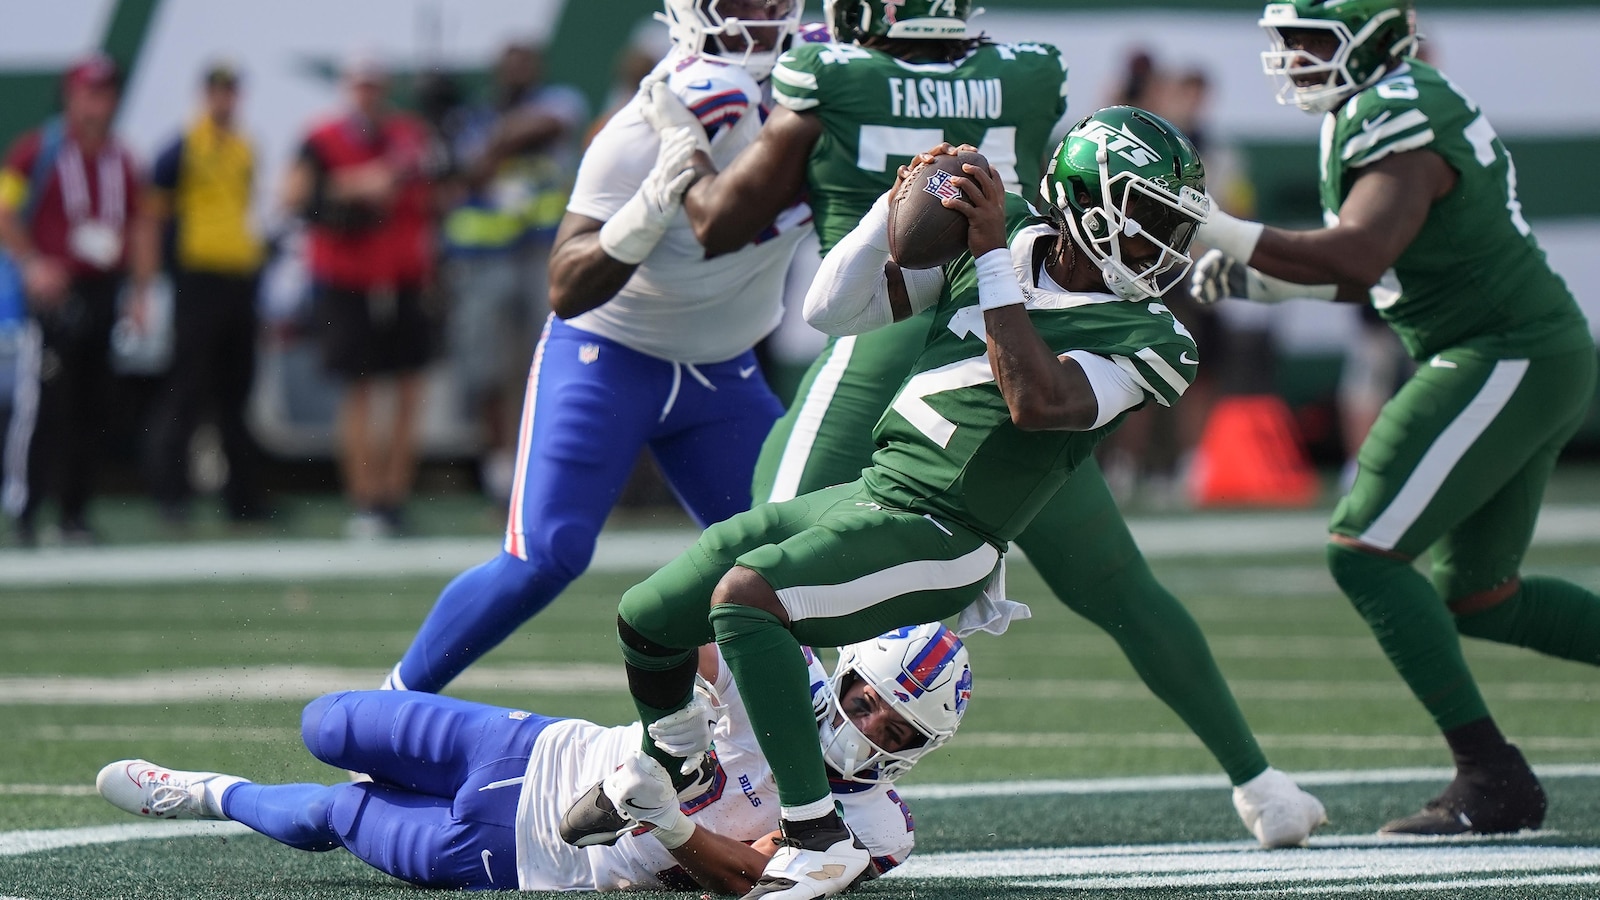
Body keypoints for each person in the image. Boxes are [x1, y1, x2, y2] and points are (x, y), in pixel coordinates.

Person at [649, 0, 1324, 849]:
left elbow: (723, 222)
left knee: (752, 587)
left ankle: (758, 798)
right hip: (1019, 331)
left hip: (909, 342)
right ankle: (1263, 785)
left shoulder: (829, 70)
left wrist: (680, 155)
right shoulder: (1027, 74)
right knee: (1120, 588)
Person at [561, 111, 1228, 900]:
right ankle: (672, 759)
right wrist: (894, 205)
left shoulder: (1157, 339)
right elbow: (831, 312)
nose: (1163, 244)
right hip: (874, 492)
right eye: (1149, 215)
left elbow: (1036, 400)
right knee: (651, 612)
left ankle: (815, 838)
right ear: (1085, 202)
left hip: (949, 533)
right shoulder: (1003, 234)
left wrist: (987, 260)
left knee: (747, 603)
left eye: (1171, 225)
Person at [1189, 0, 1600, 836]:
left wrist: (1217, 227)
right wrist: (1253, 279)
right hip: (1517, 347)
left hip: (1501, 348)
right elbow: (1365, 271)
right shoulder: (1379, 104)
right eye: (1288, 41)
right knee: (1481, 596)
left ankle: (1491, 775)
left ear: (1372, 37)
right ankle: (1494, 776)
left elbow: (1357, 254)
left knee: (1365, 549)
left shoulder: (1393, 114)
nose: (1295, 58)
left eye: (1313, 40)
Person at [376, 0, 811, 695]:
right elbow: (567, 284)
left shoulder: (818, 96)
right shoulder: (653, 122)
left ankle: (788, 747)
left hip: (722, 372)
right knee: (544, 556)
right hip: (610, 354)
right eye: (739, 0)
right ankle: (393, 704)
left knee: (798, 561)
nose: (760, 13)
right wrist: (648, 210)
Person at [96, 624, 967, 894]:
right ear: (844, 676)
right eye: (865, 700)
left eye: (891, 729)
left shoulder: (878, 827)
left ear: (915, 752)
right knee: (326, 722)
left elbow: (757, 882)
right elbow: (680, 638)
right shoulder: (791, 683)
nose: (864, 726)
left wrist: (666, 822)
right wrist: (687, 728)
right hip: (534, 745)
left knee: (337, 815)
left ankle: (207, 793)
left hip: (536, 852)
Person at [0, 53, 157, 547]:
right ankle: (25, 511)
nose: (99, 103)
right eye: (91, 92)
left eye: (106, 93)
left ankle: (74, 514)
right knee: (42, 403)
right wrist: (32, 265)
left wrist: (139, 291)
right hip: (54, 291)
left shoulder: (123, 157)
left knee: (91, 406)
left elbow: (142, 224)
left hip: (102, 289)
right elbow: (4, 210)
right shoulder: (37, 149)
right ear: (72, 95)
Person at [281, 53, 435, 538]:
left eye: (375, 84)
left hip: (404, 274)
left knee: (409, 388)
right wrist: (353, 187)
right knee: (359, 389)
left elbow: (437, 189)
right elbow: (294, 199)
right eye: (360, 85)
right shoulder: (322, 139)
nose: (368, 93)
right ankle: (366, 498)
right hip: (347, 276)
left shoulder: (408, 135)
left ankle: (395, 495)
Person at [438, 43, 589, 503]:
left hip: (544, 255)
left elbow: (542, 126)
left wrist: (496, 139)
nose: (519, 71)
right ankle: (500, 471)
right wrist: (491, 141)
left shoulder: (558, 99)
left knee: (545, 363)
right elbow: (467, 174)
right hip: (486, 259)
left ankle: (545, 465)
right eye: (511, 64)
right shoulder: (473, 117)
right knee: (488, 370)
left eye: (526, 63)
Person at [142, 60, 269, 527]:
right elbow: (154, 218)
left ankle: (242, 500)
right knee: (187, 390)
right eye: (218, 91)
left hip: (238, 279)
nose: (225, 100)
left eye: (231, 91)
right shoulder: (181, 148)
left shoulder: (245, 147)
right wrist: (152, 278)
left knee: (237, 394)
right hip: (197, 281)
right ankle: (171, 496)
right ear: (205, 95)